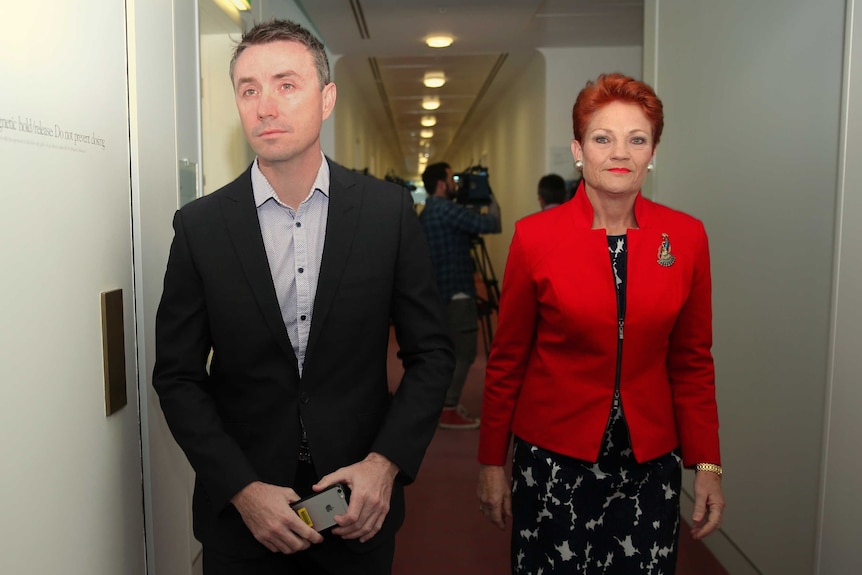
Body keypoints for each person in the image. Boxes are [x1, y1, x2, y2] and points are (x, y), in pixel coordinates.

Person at [152, 19, 454, 575]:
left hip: (357, 506)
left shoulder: (386, 216)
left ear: (326, 99)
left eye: (286, 84)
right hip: (245, 521)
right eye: (249, 89)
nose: (265, 106)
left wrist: (384, 465)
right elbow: (177, 375)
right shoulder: (200, 227)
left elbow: (432, 353)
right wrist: (241, 488)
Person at [476, 73, 725, 574]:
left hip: (650, 465)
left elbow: (692, 363)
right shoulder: (534, 238)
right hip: (552, 460)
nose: (620, 153)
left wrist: (708, 465)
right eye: (602, 138)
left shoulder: (686, 237)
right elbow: (507, 360)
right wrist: (490, 462)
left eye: (637, 139)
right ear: (578, 149)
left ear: (653, 151)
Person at [419, 162, 501, 429]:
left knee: (446, 351)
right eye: (451, 179)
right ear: (442, 184)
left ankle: (444, 402)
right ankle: (449, 407)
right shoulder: (447, 210)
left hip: (438, 293)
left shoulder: (428, 211)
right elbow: (492, 223)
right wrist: (488, 194)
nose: (456, 183)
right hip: (457, 291)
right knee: (464, 352)